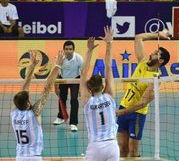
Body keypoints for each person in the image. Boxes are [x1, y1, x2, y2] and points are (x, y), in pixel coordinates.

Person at [116, 30, 170, 157]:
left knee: (133, 152)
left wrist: (121, 112)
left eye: (156, 53)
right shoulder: (142, 62)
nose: (152, 53)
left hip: (137, 115)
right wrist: (158, 35)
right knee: (122, 149)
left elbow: (142, 103)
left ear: (160, 61)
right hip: (123, 106)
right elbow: (138, 37)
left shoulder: (155, 79)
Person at [11, 50, 64, 161]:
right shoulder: (34, 113)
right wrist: (57, 66)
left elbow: (25, 85)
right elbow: (47, 88)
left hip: (19, 157)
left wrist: (32, 65)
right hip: (34, 157)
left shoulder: (13, 113)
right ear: (27, 102)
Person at [80, 26, 119, 161]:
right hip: (112, 145)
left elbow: (83, 73)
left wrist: (89, 50)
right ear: (103, 86)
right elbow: (108, 66)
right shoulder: (109, 95)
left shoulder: (87, 101)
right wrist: (109, 43)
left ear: (89, 88)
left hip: (95, 146)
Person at [53, 40, 83, 132]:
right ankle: (61, 117)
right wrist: (56, 87)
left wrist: (81, 88)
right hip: (63, 79)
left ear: (73, 50)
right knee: (62, 98)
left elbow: (83, 74)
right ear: (63, 50)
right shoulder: (59, 58)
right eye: (66, 49)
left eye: (70, 49)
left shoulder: (79, 59)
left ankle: (73, 123)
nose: (68, 51)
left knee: (74, 99)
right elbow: (56, 74)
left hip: (75, 79)